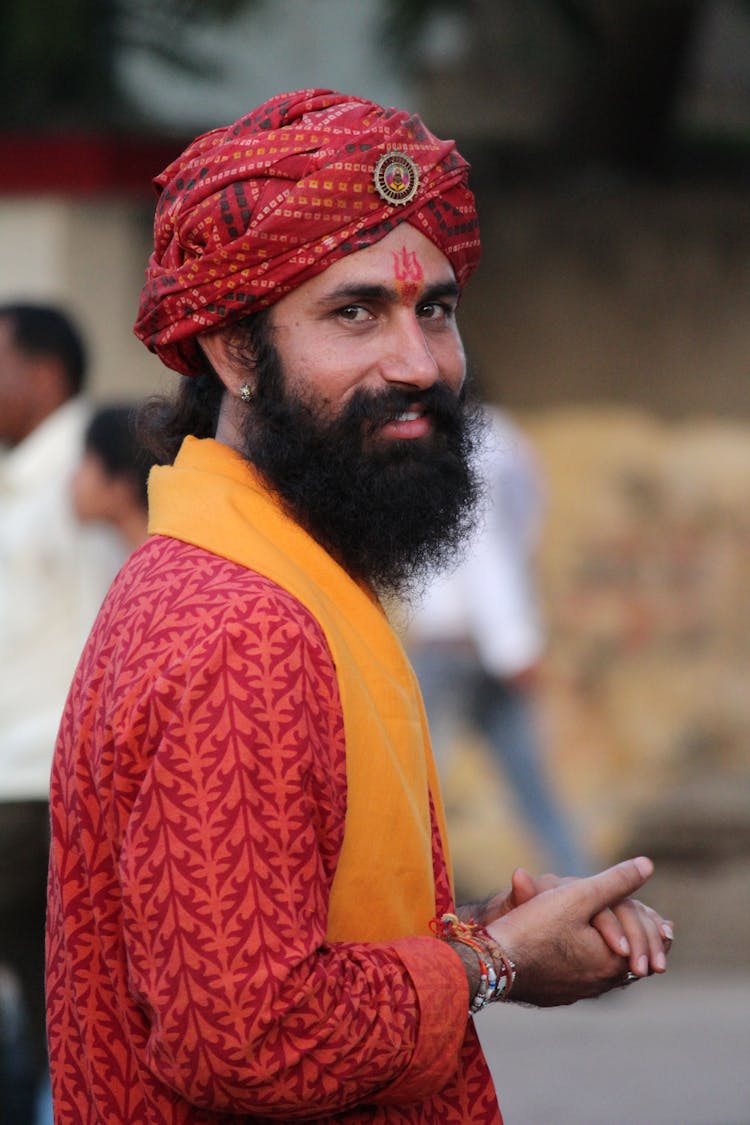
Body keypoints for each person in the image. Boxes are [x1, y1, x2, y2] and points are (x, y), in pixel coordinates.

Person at [46, 90, 673, 1124]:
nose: (419, 364)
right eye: (355, 313)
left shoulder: (284, 571)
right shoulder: (240, 627)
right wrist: (497, 960)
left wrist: (472, 935)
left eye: (434, 310)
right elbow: (251, 1040)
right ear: (236, 353)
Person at [0, 303, 126, 1123]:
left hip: (41, 787)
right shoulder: (28, 476)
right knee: (51, 1018)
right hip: (22, 785)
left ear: (44, 374)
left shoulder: (86, 467)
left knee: (65, 1021)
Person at [407, 405, 589, 876]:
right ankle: (586, 890)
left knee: (410, 795)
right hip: (491, 645)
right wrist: (516, 644)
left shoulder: (461, 439)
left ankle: (402, 909)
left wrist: (512, 645)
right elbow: (516, 533)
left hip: (453, 646)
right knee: (532, 787)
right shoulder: (505, 437)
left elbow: (481, 549)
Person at [71, 402, 153, 550]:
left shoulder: (154, 562)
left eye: (87, 462)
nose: (74, 478)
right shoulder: (138, 554)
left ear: (123, 486)